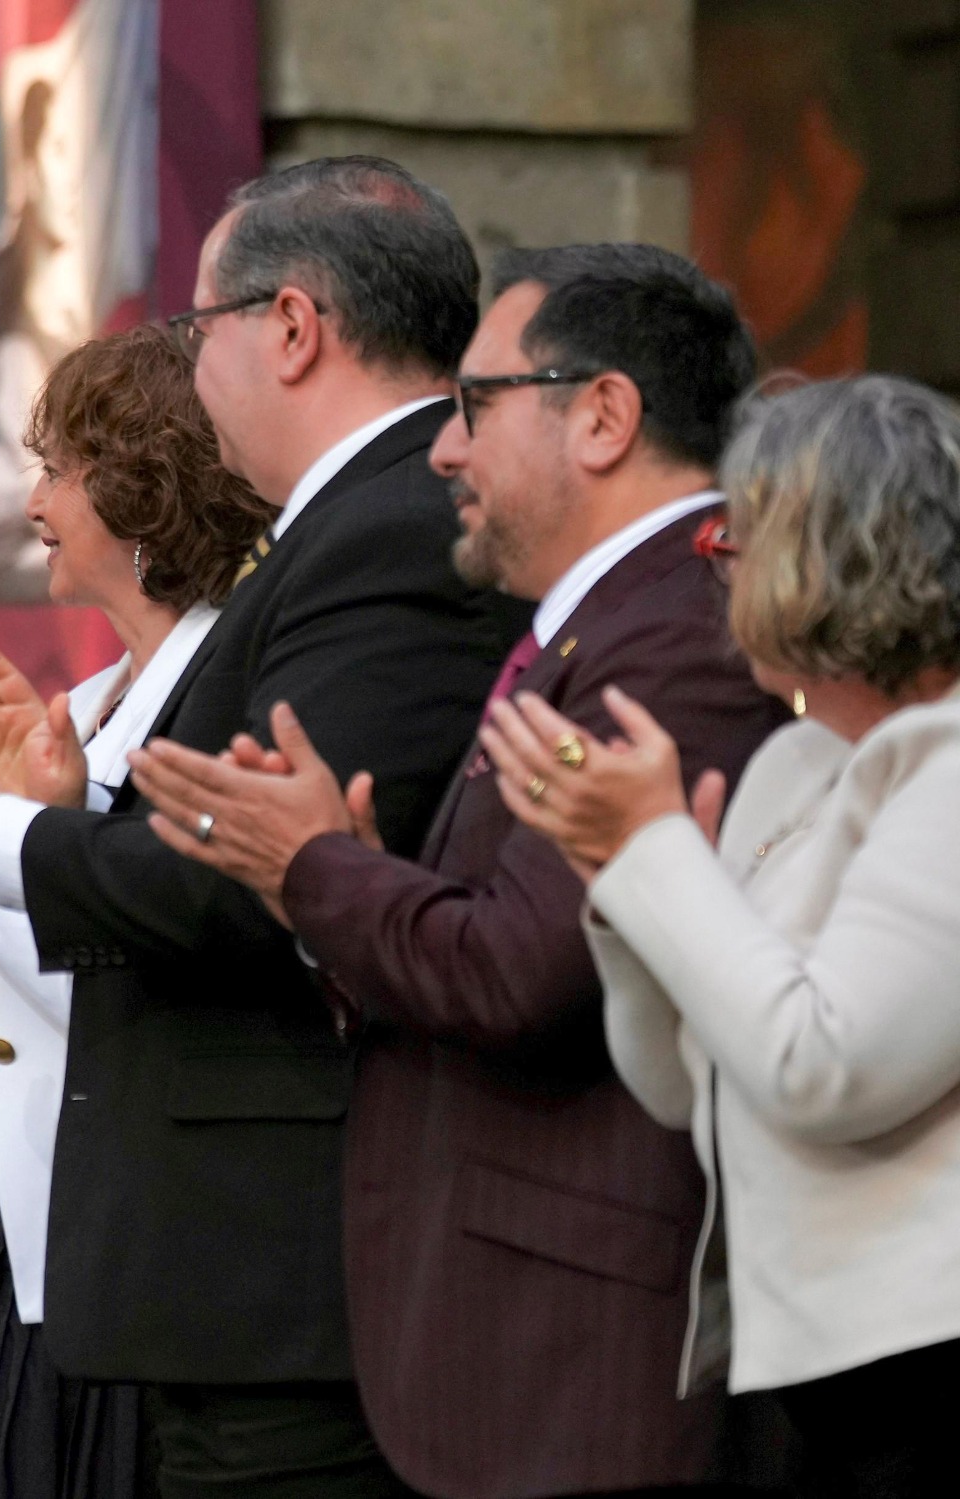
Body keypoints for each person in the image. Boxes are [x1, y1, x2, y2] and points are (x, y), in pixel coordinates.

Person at [0, 156, 530, 1496]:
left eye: (202, 328)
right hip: (208, 1271)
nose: (196, 375)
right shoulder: (341, 531)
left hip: (282, 1273)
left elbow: (247, 883)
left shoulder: (384, 529)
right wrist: (44, 818)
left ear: (292, 326)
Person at [121, 244, 792, 1497]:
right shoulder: (610, 621)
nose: (442, 450)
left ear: (602, 416)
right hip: (507, 1340)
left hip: (574, 1358)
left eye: (477, 404)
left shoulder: (673, 636)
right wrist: (337, 879)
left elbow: (516, 972)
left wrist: (312, 865)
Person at [486, 374, 960, 1498]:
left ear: (836, 557)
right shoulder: (794, 760)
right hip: (819, 1378)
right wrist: (628, 885)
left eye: (734, 538)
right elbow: (685, 1080)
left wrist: (656, 850)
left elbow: (820, 1066)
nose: (721, 569)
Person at [0, 328, 269, 1499]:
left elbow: (128, 1005)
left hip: (128, 1237)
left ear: (144, 489)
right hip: (6, 1217)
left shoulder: (212, 709)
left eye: (62, 470)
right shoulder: (85, 705)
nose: (33, 501)